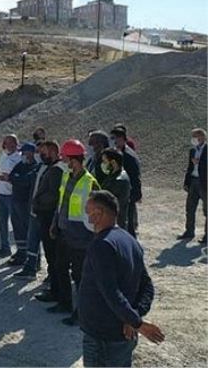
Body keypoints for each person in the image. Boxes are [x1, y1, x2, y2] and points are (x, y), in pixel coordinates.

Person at [80, 190, 164, 367]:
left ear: (99, 213)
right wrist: (134, 316)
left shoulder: (101, 245)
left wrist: (136, 322)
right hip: (124, 335)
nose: (87, 219)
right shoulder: (130, 240)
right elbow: (147, 285)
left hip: (103, 338)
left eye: (89, 213)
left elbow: (111, 292)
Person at [49, 139, 100, 326]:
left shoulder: (90, 182)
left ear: (75, 159)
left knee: (80, 276)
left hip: (81, 237)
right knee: (60, 267)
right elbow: (61, 203)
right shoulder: (66, 176)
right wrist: (55, 223)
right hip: (64, 232)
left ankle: (82, 312)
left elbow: (99, 211)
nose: (64, 162)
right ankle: (65, 303)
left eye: (66, 159)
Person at [17, 141, 66, 282]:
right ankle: (31, 267)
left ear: (53, 152)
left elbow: (53, 195)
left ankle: (54, 277)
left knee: (52, 248)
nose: (40, 155)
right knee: (33, 240)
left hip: (47, 214)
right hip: (37, 211)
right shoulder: (43, 167)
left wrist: (38, 204)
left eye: (43, 152)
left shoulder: (58, 169)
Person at [7, 142, 39, 265]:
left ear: (31, 153)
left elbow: (26, 181)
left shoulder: (35, 167)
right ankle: (20, 252)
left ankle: (29, 256)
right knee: (17, 228)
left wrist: (17, 178)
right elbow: (11, 176)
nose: (22, 155)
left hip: (25, 203)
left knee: (27, 230)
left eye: (24, 152)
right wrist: (17, 178)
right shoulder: (21, 164)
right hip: (15, 201)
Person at [0, 134, 22, 257]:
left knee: (16, 223)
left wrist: (8, 179)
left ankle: (20, 250)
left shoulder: (18, 158)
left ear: (16, 144)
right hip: (1, 194)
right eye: (7, 142)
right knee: (2, 222)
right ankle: (5, 247)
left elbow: (19, 177)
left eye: (11, 142)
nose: (9, 145)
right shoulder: (3, 155)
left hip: (12, 195)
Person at [110, 127, 142, 237]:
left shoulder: (129, 156)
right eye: (112, 138)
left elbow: (135, 176)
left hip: (128, 194)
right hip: (118, 193)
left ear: (123, 139)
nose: (114, 141)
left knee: (128, 223)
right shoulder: (114, 153)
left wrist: (136, 195)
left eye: (116, 138)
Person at [180, 128, 207, 243]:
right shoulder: (192, 150)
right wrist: (186, 182)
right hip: (193, 181)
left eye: (195, 136)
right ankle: (189, 231)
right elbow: (189, 167)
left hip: (205, 182)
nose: (193, 139)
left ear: (201, 137)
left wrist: (199, 162)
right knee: (190, 208)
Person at [100, 149, 131, 231]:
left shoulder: (119, 181)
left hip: (114, 224)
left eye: (105, 161)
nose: (103, 164)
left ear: (113, 163)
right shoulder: (113, 175)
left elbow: (105, 201)